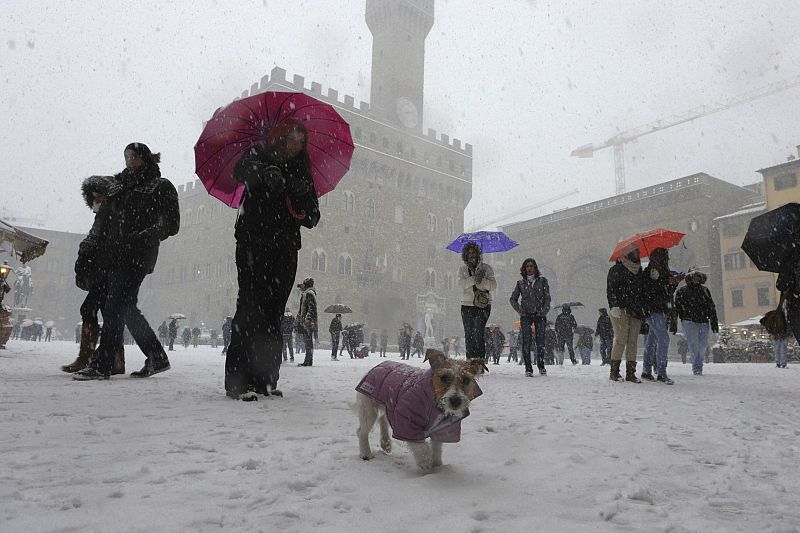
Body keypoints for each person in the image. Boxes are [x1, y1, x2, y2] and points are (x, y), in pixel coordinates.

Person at [223, 120, 319, 399]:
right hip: (253, 242)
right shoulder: (258, 154)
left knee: (274, 312)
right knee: (250, 307)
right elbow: (238, 171)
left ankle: (265, 379)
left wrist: (301, 196)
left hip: (285, 249)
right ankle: (238, 381)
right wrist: (264, 172)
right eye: (291, 140)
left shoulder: (302, 170)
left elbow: (313, 217)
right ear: (280, 138)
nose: (295, 146)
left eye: (301, 142)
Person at [73, 143, 178, 380]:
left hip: (138, 255)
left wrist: (142, 237)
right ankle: (156, 355)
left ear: (145, 158)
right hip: (113, 255)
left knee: (114, 306)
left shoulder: (160, 186)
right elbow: (102, 220)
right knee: (125, 307)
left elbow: (171, 223)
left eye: (134, 156)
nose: (129, 160)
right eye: (126, 156)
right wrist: (88, 249)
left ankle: (103, 363)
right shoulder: (117, 186)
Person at [62, 175, 126, 375]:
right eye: (93, 197)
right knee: (107, 314)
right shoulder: (104, 216)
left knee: (91, 309)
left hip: (109, 271)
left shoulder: (112, 215)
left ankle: (88, 358)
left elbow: (108, 244)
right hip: (104, 271)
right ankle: (115, 360)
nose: (95, 200)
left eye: (98, 196)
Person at [640, 248, 683, 385]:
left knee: (652, 341)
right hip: (653, 310)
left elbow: (666, 292)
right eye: (665, 257)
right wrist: (667, 281)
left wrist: (674, 282)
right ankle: (661, 372)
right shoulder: (649, 272)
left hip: (660, 309)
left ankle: (647, 371)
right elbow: (652, 290)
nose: (667, 259)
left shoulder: (662, 272)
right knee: (663, 340)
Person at [606, 245, 645, 383]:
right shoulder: (616, 270)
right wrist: (613, 305)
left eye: (638, 251)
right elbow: (611, 289)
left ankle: (630, 373)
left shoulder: (640, 271)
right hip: (620, 309)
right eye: (635, 251)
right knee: (621, 339)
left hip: (635, 310)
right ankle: (614, 372)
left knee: (633, 342)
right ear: (628, 253)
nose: (638, 253)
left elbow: (643, 291)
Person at [509, 257, 550, 377]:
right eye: (527, 266)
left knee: (540, 341)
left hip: (539, 315)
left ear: (535, 268)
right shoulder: (521, 283)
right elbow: (513, 299)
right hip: (526, 315)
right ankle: (528, 367)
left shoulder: (542, 281)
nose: (529, 268)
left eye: (531, 266)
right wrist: (521, 311)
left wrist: (543, 311)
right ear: (524, 269)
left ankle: (541, 364)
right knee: (526, 341)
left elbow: (547, 298)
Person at [458, 242, 497, 366]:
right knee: (469, 333)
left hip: (483, 305)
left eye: (473, 252)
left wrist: (482, 280)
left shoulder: (486, 268)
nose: (471, 255)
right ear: (465, 255)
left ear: (478, 254)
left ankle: (479, 361)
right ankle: (470, 361)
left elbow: (493, 285)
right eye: (469, 253)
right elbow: (461, 284)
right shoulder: (462, 269)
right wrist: (474, 278)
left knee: (478, 332)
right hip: (467, 305)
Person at [674, 269, 718, 376]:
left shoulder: (705, 291)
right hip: (689, 321)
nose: (696, 279)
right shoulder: (682, 291)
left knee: (702, 346)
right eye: (694, 277)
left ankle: (699, 365)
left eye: (698, 277)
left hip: (703, 321)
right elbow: (677, 308)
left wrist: (713, 322)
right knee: (694, 346)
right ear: (690, 278)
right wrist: (675, 322)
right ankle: (696, 367)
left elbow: (711, 307)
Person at [296, 278, 319, 367]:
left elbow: (311, 308)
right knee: (308, 342)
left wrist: (308, 319)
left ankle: (308, 361)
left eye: (304, 284)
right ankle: (308, 360)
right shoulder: (308, 293)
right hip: (308, 322)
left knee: (308, 342)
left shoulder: (309, 294)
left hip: (308, 323)